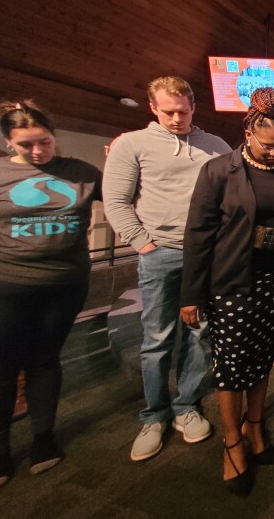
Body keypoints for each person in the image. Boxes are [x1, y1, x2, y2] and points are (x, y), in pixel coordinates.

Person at [179, 88, 274, 495]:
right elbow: (197, 236)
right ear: (249, 130)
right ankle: (232, 444)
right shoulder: (219, 172)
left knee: (263, 356)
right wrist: (190, 295)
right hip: (232, 280)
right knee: (232, 365)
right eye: (269, 145)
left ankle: (256, 428)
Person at [103, 76, 231, 462]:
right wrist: (142, 242)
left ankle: (186, 406)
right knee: (157, 336)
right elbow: (116, 200)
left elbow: (235, 188)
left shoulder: (215, 146)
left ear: (194, 107)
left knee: (200, 333)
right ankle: (153, 415)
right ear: (153, 108)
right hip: (160, 252)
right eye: (168, 111)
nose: (176, 118)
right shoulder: (132, 144)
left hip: (207, 253)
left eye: (183, 111)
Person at [0, 101, 102, 490]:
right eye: (25, 144)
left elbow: (130, 192)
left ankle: (42, 438)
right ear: (8, 142)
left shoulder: (80, 172)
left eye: (44, 142)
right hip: (4, 284)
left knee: (44, 359)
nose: (37, 151)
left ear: (56, 137)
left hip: (64, 284)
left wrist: (122, 159)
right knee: (0, 367)